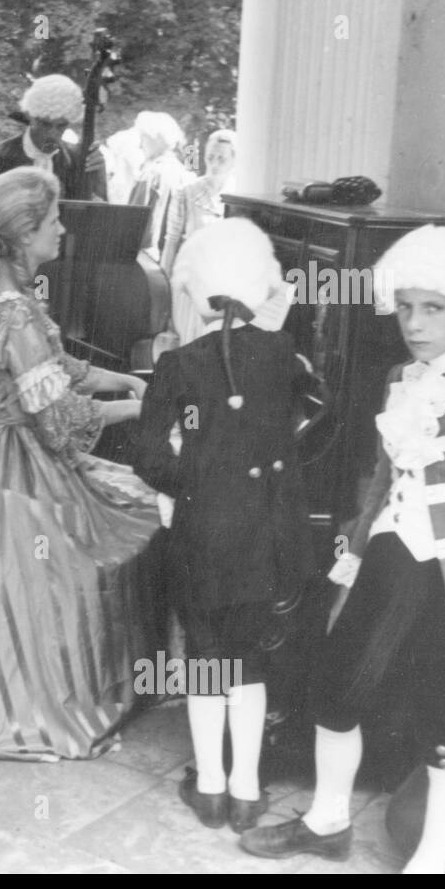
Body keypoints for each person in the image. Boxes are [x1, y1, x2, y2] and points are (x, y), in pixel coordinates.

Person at [240, 225, 445, 873]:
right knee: (336, 688)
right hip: (390, 557)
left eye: (433, 308)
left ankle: (427, 875)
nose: (414, 323)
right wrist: (353, 549)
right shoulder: (403, 375)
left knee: (444, 728)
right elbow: (385, 475)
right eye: (405, 307)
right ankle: (327, 821)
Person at [0, 167, 159, 760]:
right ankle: (49, 699)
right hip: (13, 463)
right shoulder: (11, 312)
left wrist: (121, 376)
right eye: (53, 221)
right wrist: (137, 407)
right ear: (24, 235)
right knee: (113, 538)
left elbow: (57, 366)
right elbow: (61, 418)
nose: (64, 228)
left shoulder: (0, 296)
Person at [131, 218, 315, 833]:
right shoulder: (287, 358)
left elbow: (149, 456)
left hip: (203, 536)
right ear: (259, 282)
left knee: (209, 658)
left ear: (197, 290)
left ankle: (209, 788)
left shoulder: (178, 365)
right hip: (270, 534)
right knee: (251, 661)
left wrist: (203, 482)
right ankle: (248, 789)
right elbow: (310, 425)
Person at [0, 74, 106, 413]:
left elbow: (91, 224)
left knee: (47, 389)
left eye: (61, 126)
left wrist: (96, 180)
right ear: (30, 117)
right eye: (45, 124)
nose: (52, 135)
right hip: (2, 284)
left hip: (55, 292)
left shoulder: (75, 161)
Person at [160, 129, 238, 346]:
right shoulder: (186, 192)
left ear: (234, 160)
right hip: (190, 284)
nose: (214, 162)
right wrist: (164, 285)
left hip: (225, 285)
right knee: (188, 341)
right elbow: (171, 240)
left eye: (221, 158)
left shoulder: (240, 196)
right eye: (210, 156)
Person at [128, 111, 192, 261]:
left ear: (155, 138)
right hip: (172, 259)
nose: (139, 145)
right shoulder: (182, 173)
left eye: (143, 138)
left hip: (145, 261)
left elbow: (132, 223)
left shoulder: (150, 174)